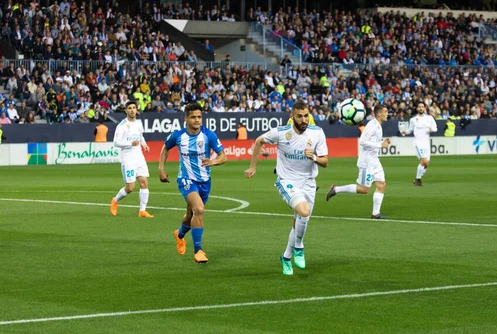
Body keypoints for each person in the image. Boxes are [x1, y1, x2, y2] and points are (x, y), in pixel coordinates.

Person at [245, 100, 328, 276]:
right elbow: (259, 141)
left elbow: (325, 161)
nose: (304, 119)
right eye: (299, 116)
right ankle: (299, 247)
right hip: (287, 181)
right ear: (292, 117)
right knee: (304, 211)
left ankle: (286, 257)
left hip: (309, 183)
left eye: (306, 115)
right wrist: (253, 166)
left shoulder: (317, 133)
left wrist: (313, 157)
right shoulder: (281, 133)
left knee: (299, 221)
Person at [158, 103, 227, 264]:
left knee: (190, 215)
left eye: (199, 117)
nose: (197, 120)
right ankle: (199, 250)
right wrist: (161, 168)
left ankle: (179, 235)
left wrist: (214, 161)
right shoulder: (178, 136)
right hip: (186, 180)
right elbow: (165, 148)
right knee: (199, 209)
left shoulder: (208, 135)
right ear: (186, 118)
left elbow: (223, 156)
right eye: (193, 117)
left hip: (204, 181)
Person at [325, 105, 391, 219]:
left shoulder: (378, 126)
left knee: (381, 185)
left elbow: (371, 141)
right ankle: (336, 189)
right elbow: (363, 141)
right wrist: (381, 144)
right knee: (365, 189)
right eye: (385, 111)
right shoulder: (372, 125)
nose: (387, 113)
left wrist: (382, 142)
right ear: (379, 114)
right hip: (367, 162)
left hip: (374, 160)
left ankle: (376, 213)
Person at [110, 101, 153, 218]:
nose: (132, 110)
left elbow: (141, 136)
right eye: (130, 108)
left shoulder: (139, 123)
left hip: (139, 156)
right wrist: (130, 143)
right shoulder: (122, 125)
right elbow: (116, 142)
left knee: (144, 182)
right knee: (130, 188)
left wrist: (144, 145)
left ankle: (142, 211)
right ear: (126, 111)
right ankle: (115, 200)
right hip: (128, 158)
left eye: (134, 108)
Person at [401, 101, 438, 186]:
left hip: (426, 144)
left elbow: (435, 128)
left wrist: (432, 129)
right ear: (417, 108)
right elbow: (410, 130)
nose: (421, 108)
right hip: (418, 143)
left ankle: (418, 178)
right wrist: (405, 132)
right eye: (419, 107)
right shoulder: (413, 120)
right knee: (424, 161)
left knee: (426, 164)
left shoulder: (430, 118)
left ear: (425, 108)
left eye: (422, 107)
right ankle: (418, 179)